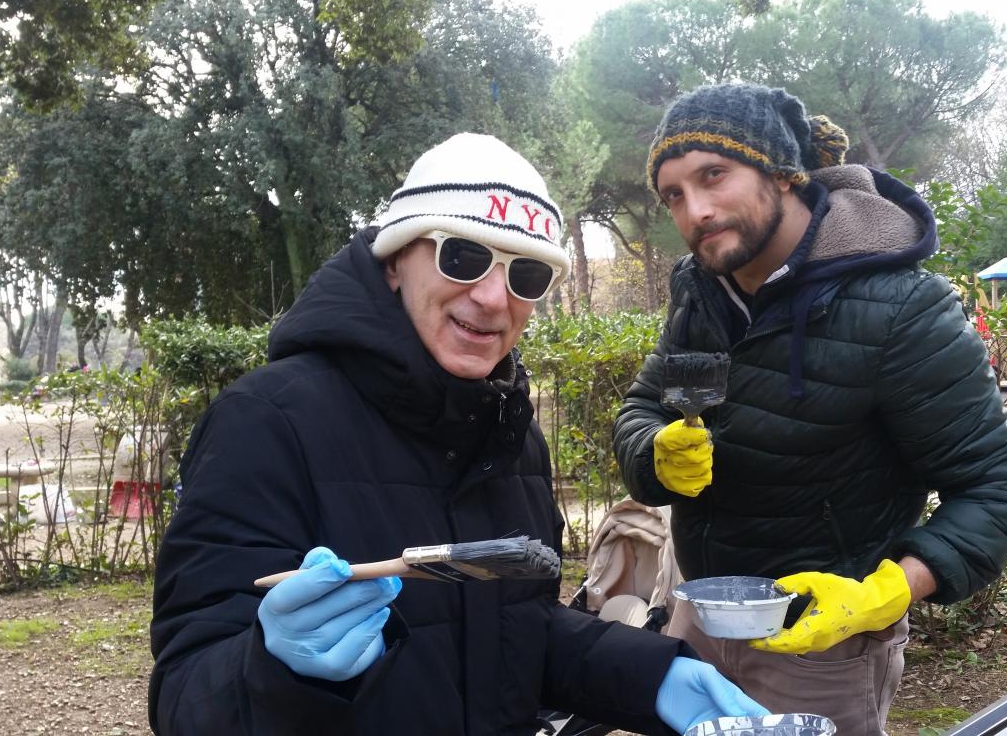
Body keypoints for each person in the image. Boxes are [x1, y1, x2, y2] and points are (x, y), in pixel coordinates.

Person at [148, 133, 769, 735]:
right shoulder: (264, 422)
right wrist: (279, 670)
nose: (494, 297)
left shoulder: (512, 435)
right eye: (463, 256)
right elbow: (185, 698)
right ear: (396, 260)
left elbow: (515, 634)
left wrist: (653, 678)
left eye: (527, 275)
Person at [612, 84, 1007, 735]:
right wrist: (654, 452)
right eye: (673, 193)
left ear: (782, 173)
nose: (694, 209)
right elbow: (645, 404)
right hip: (699, 616)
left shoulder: (899, 306)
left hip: (823, 646)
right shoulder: (700, 292)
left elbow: (997, 482)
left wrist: (890, 588)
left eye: (713, 175)